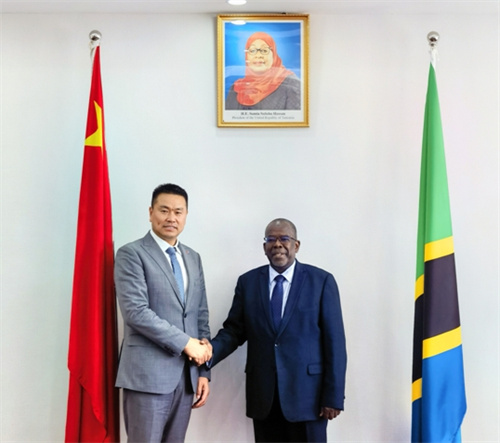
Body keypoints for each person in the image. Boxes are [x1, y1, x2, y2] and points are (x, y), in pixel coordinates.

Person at [208, 218, 347, 442]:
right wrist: (207, 353)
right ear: (264, 247)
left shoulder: (321, 282)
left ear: (296, 245)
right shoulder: (248, 283)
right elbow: (234, 331)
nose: (278, 244)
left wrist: (333, 396)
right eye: (271, 239)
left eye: (284, 239)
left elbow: (335, 343)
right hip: (265, 399)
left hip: (309, 400)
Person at [115, 183, 212, 443]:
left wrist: (204, 372)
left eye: (178, 212)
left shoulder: (193, 257)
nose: (171, 218)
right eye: (164, 210)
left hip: (187, 377)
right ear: (151, 212)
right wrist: (187, 343)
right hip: (147, 377)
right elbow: (136, 312)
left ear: (186, 215)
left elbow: (200, 316)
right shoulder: (131, 253)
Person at [225, 32, 301, 110]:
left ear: (274, 55)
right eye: (252, 51)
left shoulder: (291, 84)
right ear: (246, 56)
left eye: (264, 51)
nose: (258, 55)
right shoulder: (236, 88)